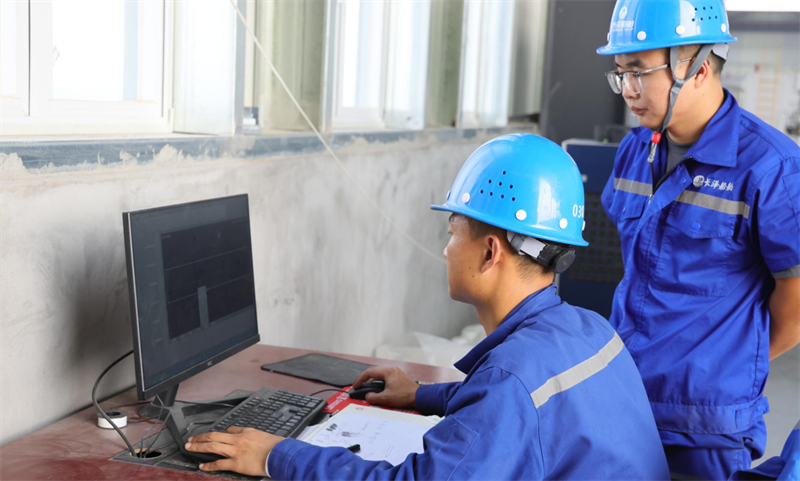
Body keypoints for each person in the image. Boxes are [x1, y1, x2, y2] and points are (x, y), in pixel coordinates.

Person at [184, 134, 670, 480]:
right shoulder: (590, 329)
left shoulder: (512, 380)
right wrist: (421, 395)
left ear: (490, 252)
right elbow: (521, 409)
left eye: (453, 231)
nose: (445, 248)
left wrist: (277, 456)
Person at [597, 1, 800, 479]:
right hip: (622, 398)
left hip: (704, 425)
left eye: (639, 72)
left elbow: (795, 307)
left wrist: (723, 361)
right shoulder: (634, 151)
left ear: (699, 67)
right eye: (621, 73)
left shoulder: (770, 168)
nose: (628, 90)